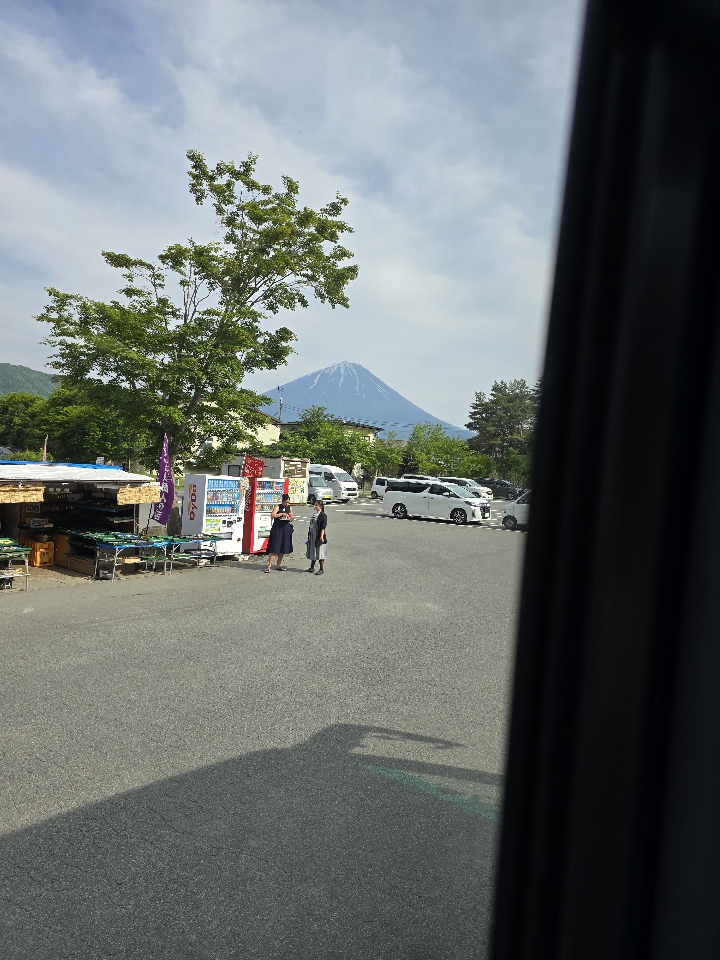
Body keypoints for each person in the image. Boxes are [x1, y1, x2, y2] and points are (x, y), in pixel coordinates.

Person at [264, 494, 293, 572]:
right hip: (277, 528)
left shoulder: (290, 508)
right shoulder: (278, 507)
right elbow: (272, 515)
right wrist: (281, 514)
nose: (287, 504)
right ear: (282, 501)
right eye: (286, 502)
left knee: (282, 547)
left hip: (285, 528)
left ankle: (278, 565)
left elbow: (291, 517)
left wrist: (290, 518)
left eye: (288, 502)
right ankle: (269, 566)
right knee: (275, 547)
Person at [306, 500, 328, 575]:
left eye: (316, 505)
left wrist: (321, 536)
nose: (315, 506)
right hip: (312, 534)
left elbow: (323, 527)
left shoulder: (323, 515)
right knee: (313, 550)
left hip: (318, 535)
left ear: (320, 506)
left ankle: (321, 569)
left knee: (320, 551)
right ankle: (312, 567)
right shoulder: (315, 514)